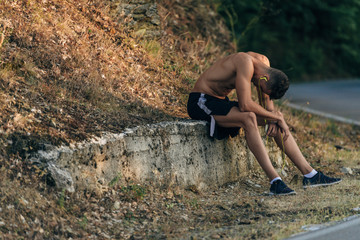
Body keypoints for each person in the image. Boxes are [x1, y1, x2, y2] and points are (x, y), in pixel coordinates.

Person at [187, 51, 341, 195]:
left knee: (274, 119)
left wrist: (274, 119)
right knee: (249, 118)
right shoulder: (244, 61)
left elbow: (267, 105)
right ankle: (275, 182)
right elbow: (245, 105)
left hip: (221, 103)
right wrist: (277, 117)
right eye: (260, 87)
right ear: (264, 78)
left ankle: (310, 174)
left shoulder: (264, 64)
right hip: (201, 101)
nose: (257, 88)